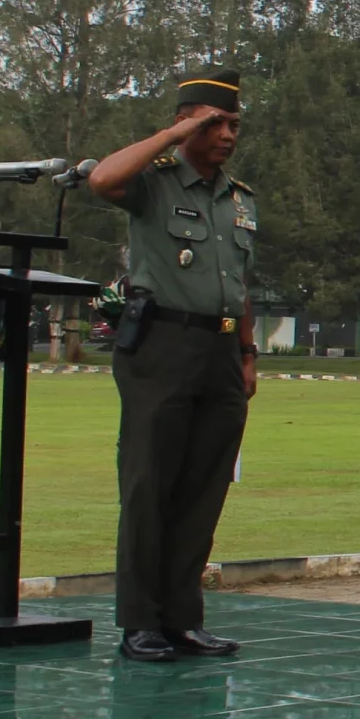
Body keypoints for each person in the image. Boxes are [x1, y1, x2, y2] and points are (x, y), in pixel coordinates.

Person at [86, 70, 259, 664]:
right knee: (148, 486)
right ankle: (140, 622)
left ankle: (183, 619)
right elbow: (102, 179)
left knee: (204, 489)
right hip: (162, 346)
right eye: (214, 124)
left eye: (234, 125)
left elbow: (240, 283)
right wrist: (172, 135)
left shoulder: (240, 199)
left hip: (221, 352)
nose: (227, 135)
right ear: (187, 123)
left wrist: (247, 354)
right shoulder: (153, 184)